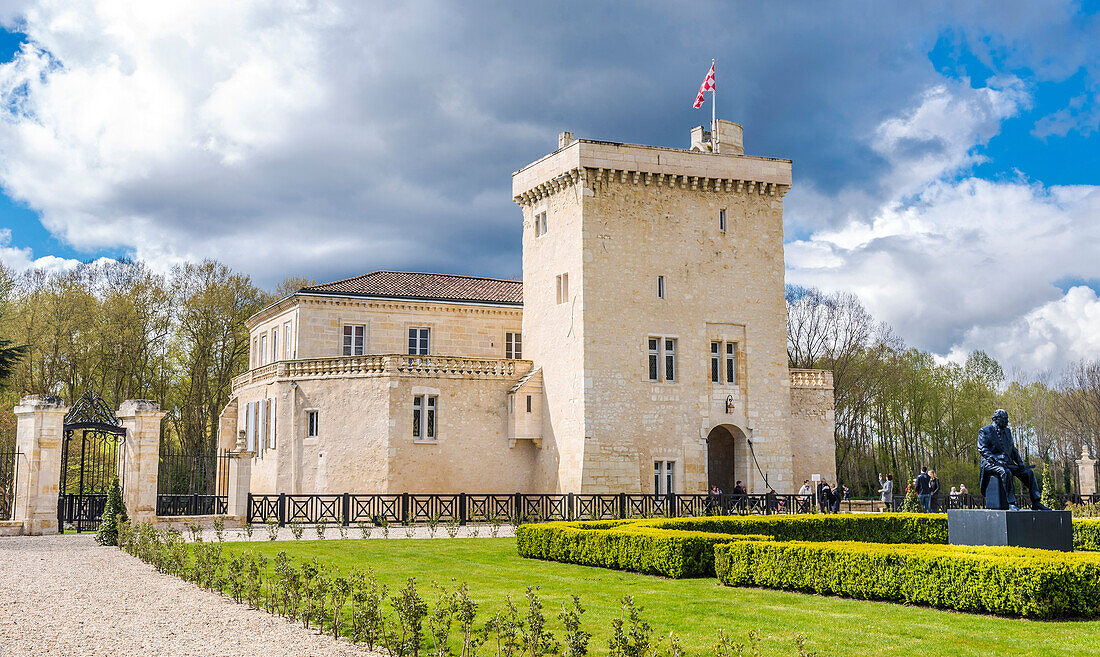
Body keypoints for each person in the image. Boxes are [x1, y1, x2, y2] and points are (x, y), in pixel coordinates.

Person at [978, 409, 1050, 511]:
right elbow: (983, 449)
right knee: (1005, 472)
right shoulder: (985, 431)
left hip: (1008, 463)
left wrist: (1020, 462)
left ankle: (1036, 502)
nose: (1007, 422)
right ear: (996, 419)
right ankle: (1011, 503)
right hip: (991, 464)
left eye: (1007, 419)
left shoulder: (1007, 431)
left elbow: (1013, 449)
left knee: (1029, 473)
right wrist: (997, 461)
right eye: (1004, 419)